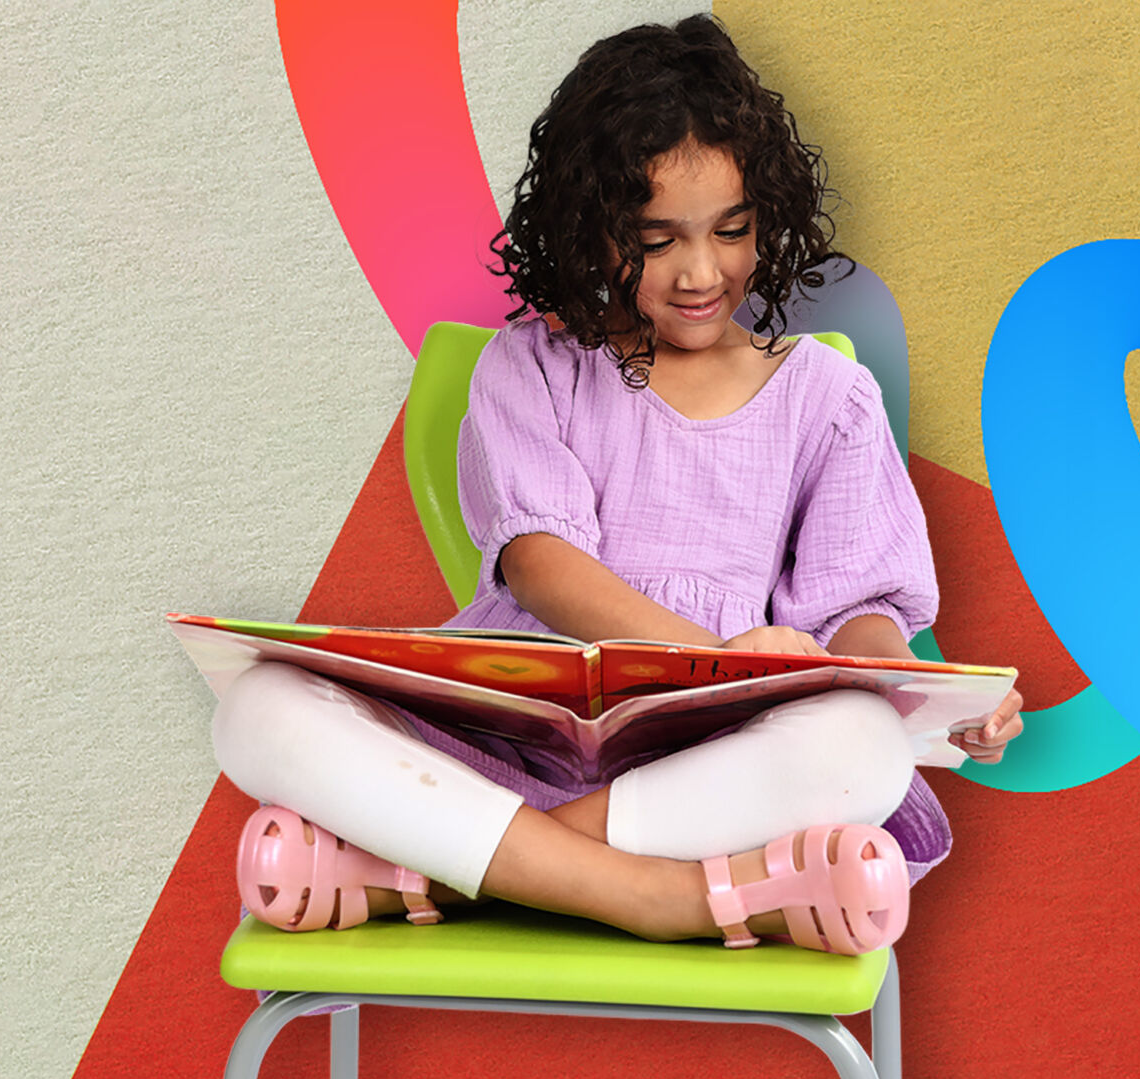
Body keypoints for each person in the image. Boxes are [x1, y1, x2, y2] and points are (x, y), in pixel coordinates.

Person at [212, 15, 1023, 954]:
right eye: (654, 238)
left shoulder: (828, 398)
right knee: (257, 709)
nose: (700, 272)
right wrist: (726, 661)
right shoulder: (532, 366)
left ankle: (446, 875)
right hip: (507, 740)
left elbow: (859, 611)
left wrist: (924, 691)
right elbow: (543, 565)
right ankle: (659, 898)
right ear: (590, 227)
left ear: (770, 216)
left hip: (703, 764)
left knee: (864, 749)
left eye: (731, 231)